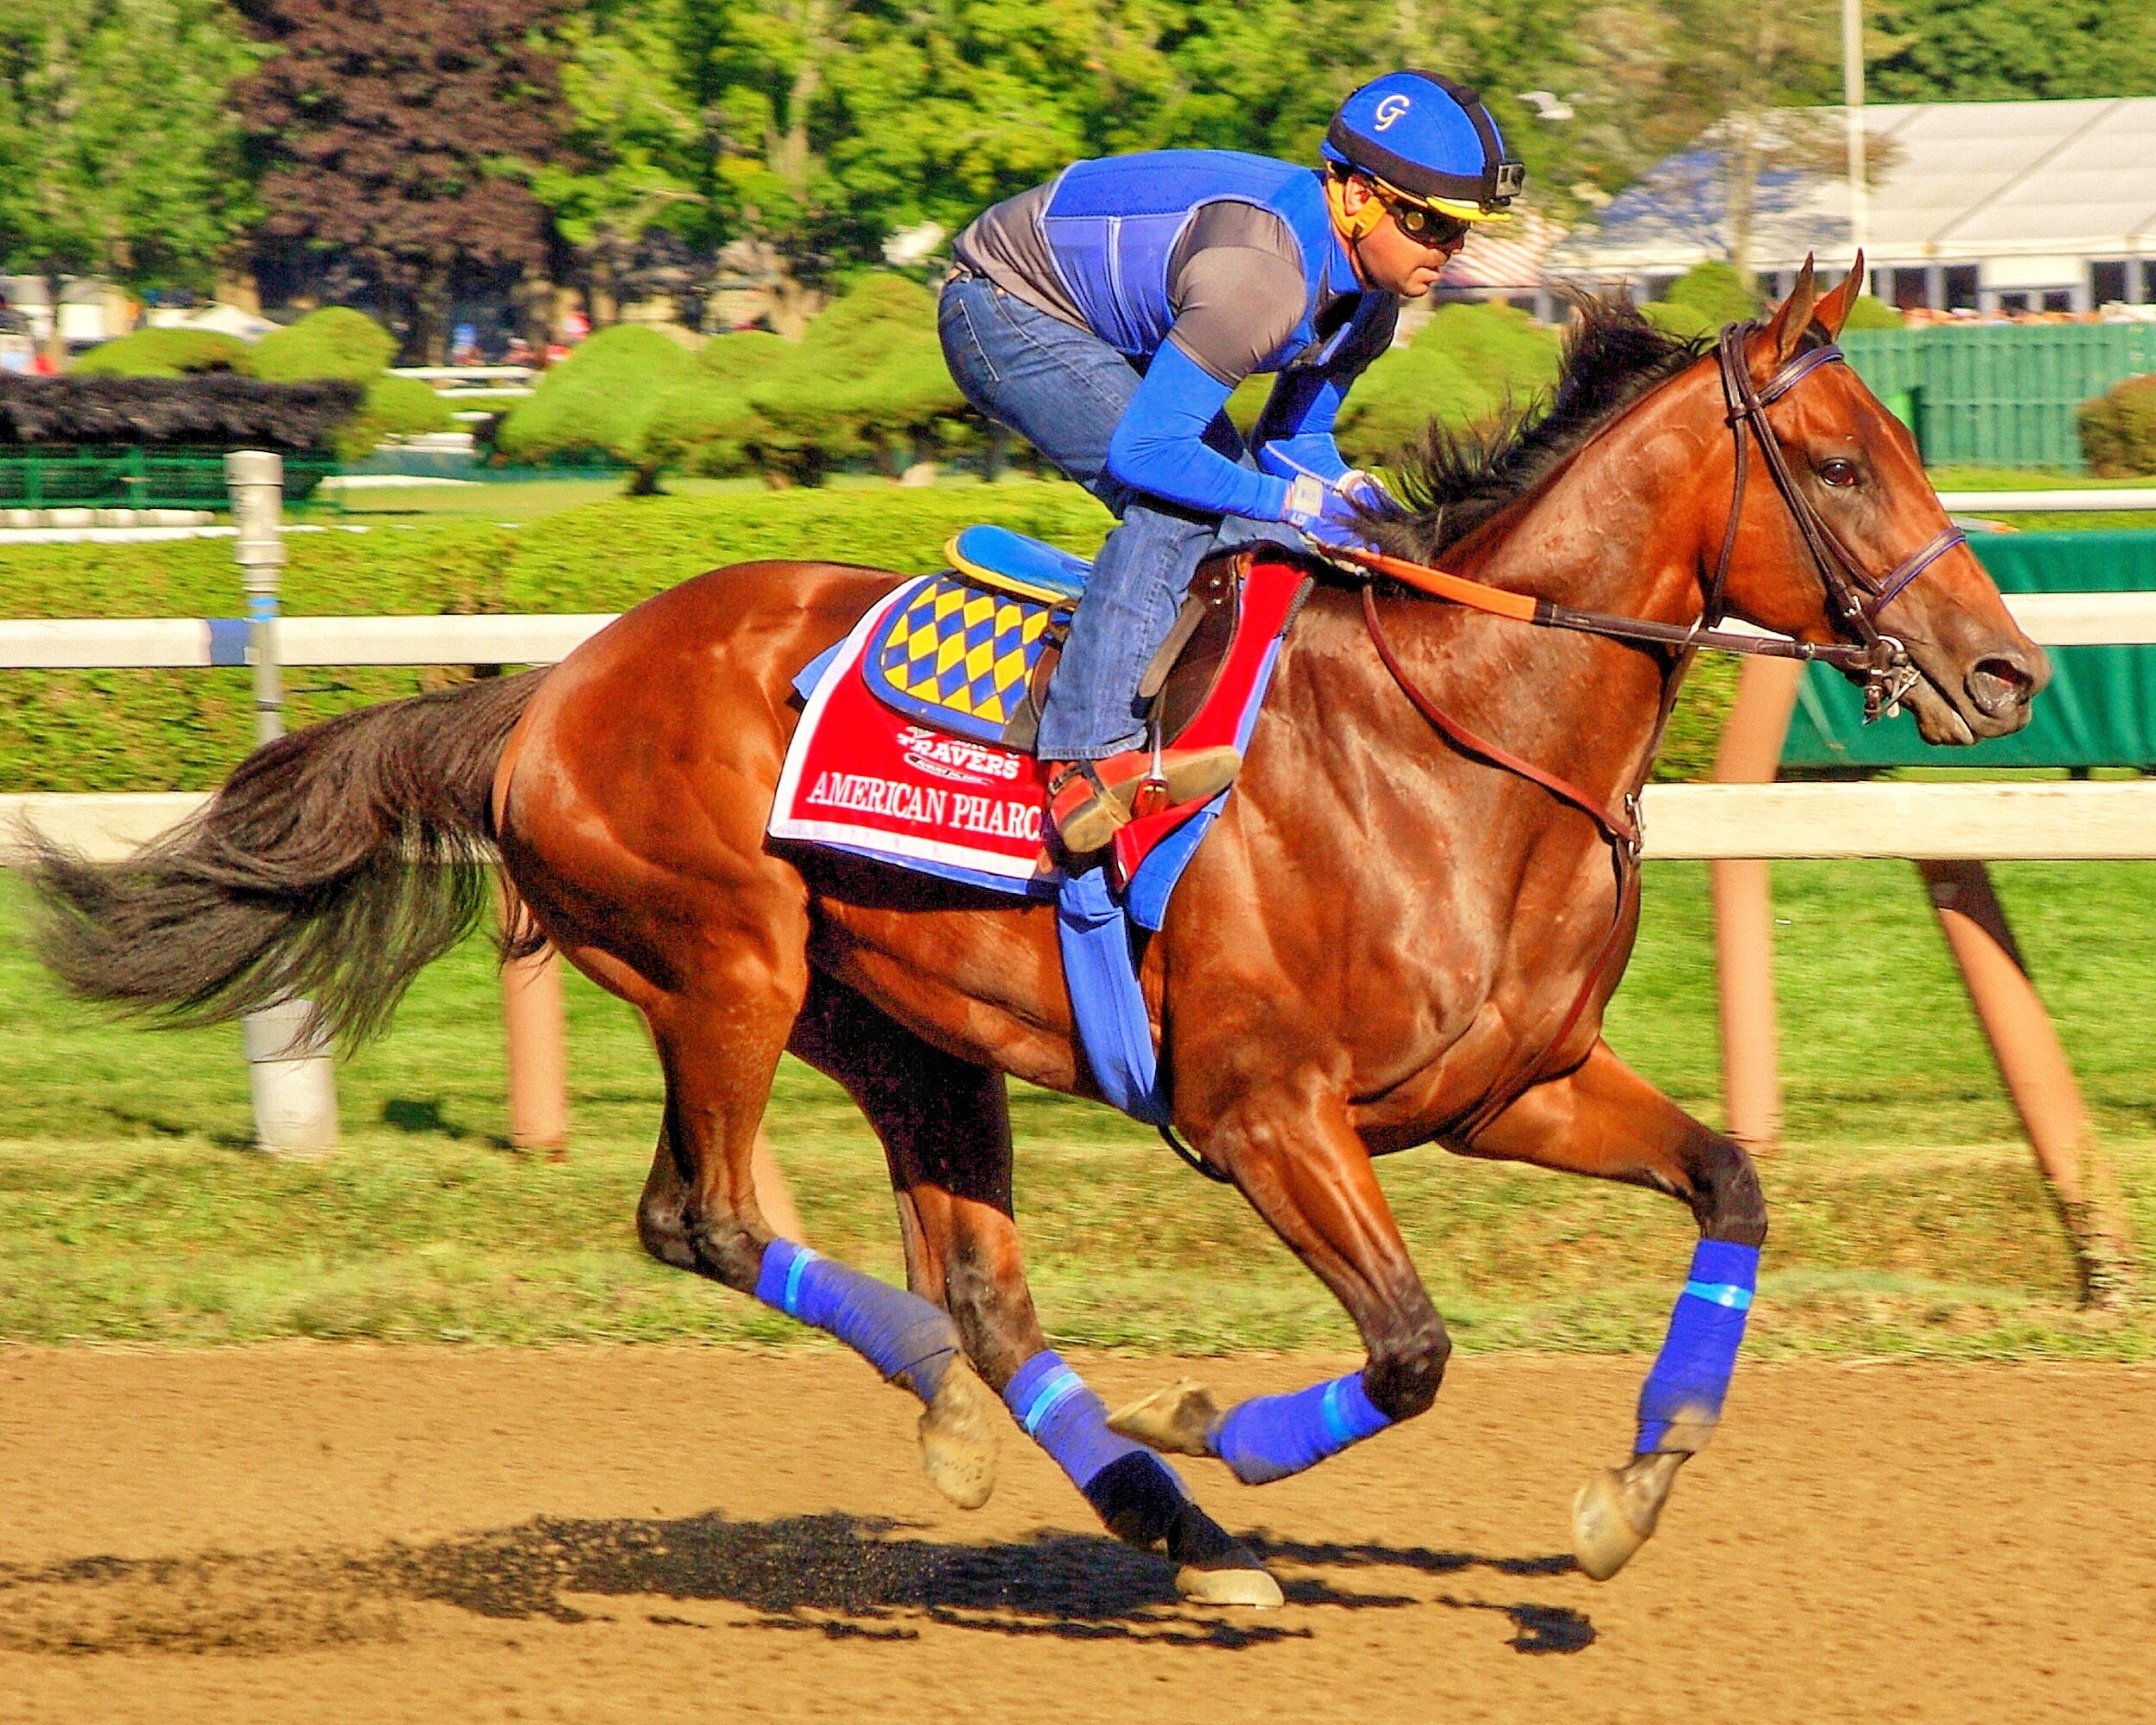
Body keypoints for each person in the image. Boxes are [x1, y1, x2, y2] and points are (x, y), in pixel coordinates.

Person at [939, 70, 1525, 853]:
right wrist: (1286, 506)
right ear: (1354, 197)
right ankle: (1083, 761)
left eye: (1460, 232)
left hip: (1114, 326)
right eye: (1428, 225)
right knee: (1186, 500)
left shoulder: (1373, 307)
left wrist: (1348, 496)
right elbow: (1148, 451)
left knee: (1252, 515)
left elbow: (1291, 445)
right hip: (1004, 307)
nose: (1448, 252)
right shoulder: (1263, 276)